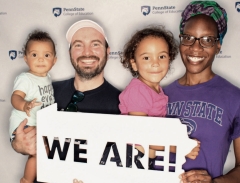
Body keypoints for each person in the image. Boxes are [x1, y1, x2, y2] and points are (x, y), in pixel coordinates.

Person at [11, 20, 121, 183]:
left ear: (108, 51)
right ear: (70, 53)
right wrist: (18, 144)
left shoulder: (123, 103)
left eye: (95, 44)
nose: (87, 52)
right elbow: (23, 126)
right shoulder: (47, 91)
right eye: (78, 45)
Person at [163, 1, 240, 182]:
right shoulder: (159, 95)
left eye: (207, 40)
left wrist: (215, 182)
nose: (195, 48)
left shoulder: (234, 98)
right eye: (188, 37)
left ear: (218, 45)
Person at [119, 26, 200, 170]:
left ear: (169, 59)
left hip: (144, 160)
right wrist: (179, 146)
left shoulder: (156, 90)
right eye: (146, 57)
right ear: (134, 64)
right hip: (131, 161)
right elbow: (140, 135)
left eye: (161, 56)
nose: (155, 63)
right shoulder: (138, 91)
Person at [9, 30, 57, 183]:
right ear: (25, 58)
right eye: (34, 55)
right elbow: (15, 97)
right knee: (37, 154)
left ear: (54, 60)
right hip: (24, 124)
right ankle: (26, 180)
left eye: (47, 55)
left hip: (38, 124)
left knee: (46, 153)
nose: (41, 59)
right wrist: (24, 105)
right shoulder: (25, 78)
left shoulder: (48, 78)